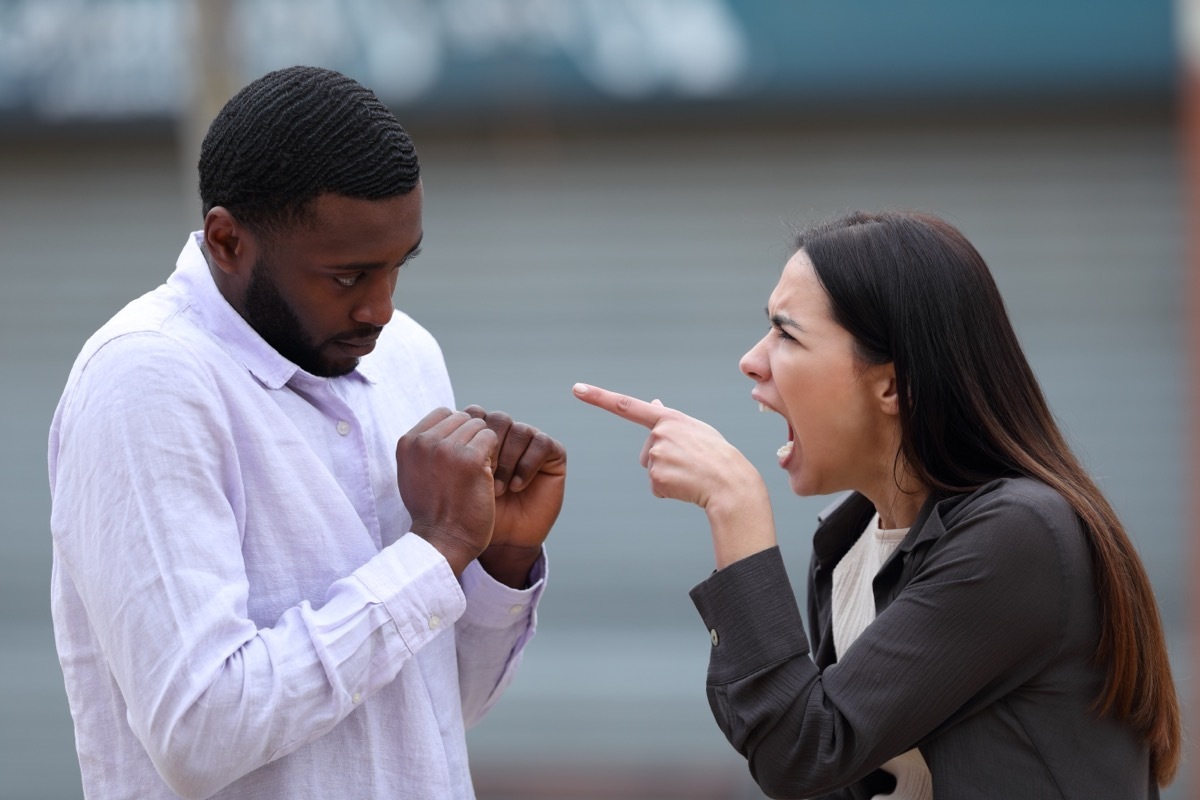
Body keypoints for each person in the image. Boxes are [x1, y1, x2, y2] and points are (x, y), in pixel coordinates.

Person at [48, 65, 566, 799]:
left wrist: (498, 558)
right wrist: (435, 551)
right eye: (348, 277)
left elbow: (435, 711)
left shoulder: (406, 356)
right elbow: (198, 732)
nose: (381, 310)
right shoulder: (150, 379)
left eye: (397, 268)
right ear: (228, 241)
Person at [574, 210, 1180, 799]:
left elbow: (805, 751)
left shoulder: (1018, 534)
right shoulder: (849, 544)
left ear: (893, 384)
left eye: (786, 333)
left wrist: (735, 505)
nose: (751, 360)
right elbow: (821, 768)